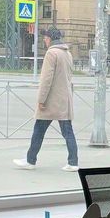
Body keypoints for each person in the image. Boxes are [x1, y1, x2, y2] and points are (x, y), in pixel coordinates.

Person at [13, 27, 79, 171]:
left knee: (38, 130)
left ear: (50, 39)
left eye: (45, 37)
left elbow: (46, 79)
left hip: (51, 101)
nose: (44, 39)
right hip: (64, 100)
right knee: (68, 132)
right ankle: (73, 162)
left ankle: (30, 161)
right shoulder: (67, 53)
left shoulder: (51, 53)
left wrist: (41, 100)